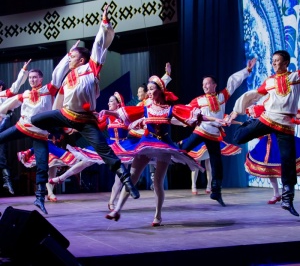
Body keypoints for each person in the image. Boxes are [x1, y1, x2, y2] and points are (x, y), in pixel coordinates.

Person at [31, 5, 140, 203]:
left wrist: (104, 22)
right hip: (66, 115)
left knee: (104, 151)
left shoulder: (91, 68)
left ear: (81, 60)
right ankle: (40, 178)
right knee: (35, 120)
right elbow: (59, 100)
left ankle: (128, 182)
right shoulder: (66, 78)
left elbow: (99, 44)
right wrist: (61, 125)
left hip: (84, 120)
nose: (69, 59)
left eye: (72, 56)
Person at [105, 75, 225, 226]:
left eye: (151, 89)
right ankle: (116, 210)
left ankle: (158, 215)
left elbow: (197, 116)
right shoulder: (145, 109)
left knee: (157, 183)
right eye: (147, 90)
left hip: (163, 147)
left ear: (160, 91)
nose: (149, 92)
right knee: (132, 176)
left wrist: (217, 120)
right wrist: (106, 112)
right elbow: (123, 113)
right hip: (146, 144)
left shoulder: (170, 110)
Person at [227, 50, 300, 217]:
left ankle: (287, 199)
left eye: (278, 61)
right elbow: (253, 95)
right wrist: (236, 112)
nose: (275, 64)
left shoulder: (295, 78)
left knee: (288, 162)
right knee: (239, 137)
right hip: (268, 119)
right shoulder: (269, 81)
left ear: (286, 62)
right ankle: (249, 123)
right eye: (273, 61)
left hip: (286, 125)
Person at [0, 50, 73, 213]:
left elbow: (58, 73)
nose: (33, 80)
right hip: (22, 127)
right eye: (31, 78)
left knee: (42, 164)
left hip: (40, 133)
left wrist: (68, 57)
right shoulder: (24, 94)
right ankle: (6, 179)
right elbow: (8, 102)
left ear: (40, 78)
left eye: (35, 77)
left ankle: (40, 197)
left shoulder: (49, 89)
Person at [178, 58, 256, 206]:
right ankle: (165, 157)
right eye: (203, 84)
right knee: (183, 150)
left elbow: (233, 81)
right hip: (201, 131)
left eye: (208, 83)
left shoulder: (222, 96)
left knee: (217, 164)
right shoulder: (198, 100)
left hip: (214, 135)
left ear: (214, 85)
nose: (205, 86)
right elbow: (185, 110)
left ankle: (216, 191)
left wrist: (247, 70)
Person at [48, 92, 134, 211]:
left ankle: (111, 202)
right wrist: (77, 128)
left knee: (120, 177)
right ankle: (61, 178)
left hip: (124, 147)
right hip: (110, 145)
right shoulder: (107, 117)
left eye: (111, 101)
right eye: (108, 101)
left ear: (118, 103)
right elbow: (96, 126)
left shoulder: (124, 115)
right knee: (86, 161)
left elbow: (132, 124)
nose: (108, 103)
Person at [130, 63, 172, 190]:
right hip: (141, 134)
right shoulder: (139, 105)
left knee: (152, 154)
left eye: (140, 92)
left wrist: (167, 74)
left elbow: (159, 84)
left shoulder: (150, 101)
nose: (139, 94)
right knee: (140, 158)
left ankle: (154, 178)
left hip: (152, 134)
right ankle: (134, 181)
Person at [0, 60, 30, 194]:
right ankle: (7, 181)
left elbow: (16, 86)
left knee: (1, 154)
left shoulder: (4, 94)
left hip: (3, 123)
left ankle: (7, 181)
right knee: (1, 155)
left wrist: (23, 71)